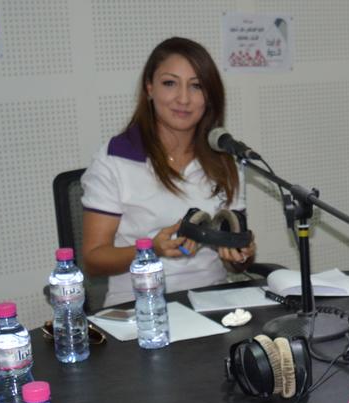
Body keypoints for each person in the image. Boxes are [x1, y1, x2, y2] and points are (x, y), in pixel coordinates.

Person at [80, 37, 256, 307]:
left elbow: (235, 263)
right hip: (140, 307)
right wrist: (150, 249)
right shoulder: (115, 158)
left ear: (209, 96)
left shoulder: (224, 158)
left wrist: (240, 255)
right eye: (170, 83)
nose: (183, 99)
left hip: (213, 303)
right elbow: (93, 259)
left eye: (196, 86)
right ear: (149, 88)